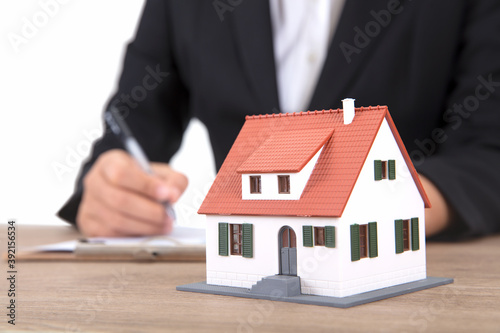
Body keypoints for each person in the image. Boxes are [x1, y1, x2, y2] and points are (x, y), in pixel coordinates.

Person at [58, 0, 500, 239]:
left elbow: (489, 153)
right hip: (238, 296)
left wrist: (386, 210)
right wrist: (107, 190)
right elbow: (129, 133)